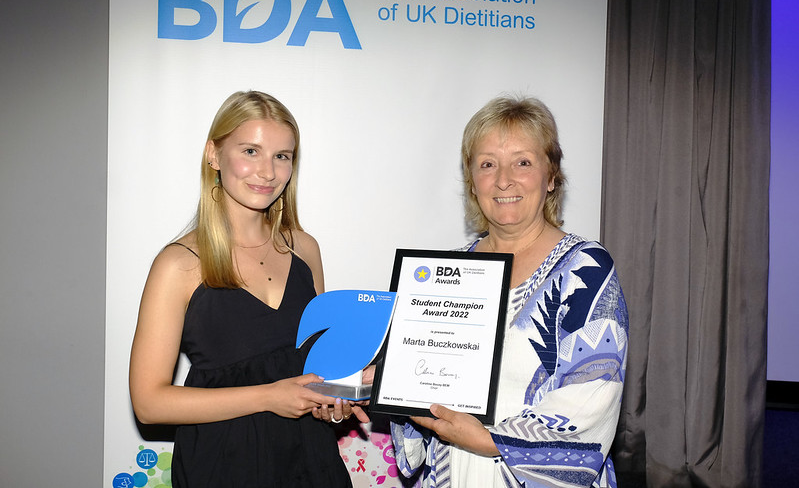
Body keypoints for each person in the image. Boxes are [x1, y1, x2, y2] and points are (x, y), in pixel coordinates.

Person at [129, 91, 366, 488]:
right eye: (251, 151)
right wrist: (269, 397)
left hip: (312, 462)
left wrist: (332, 401)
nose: (267, 172)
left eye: (281, 156)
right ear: (214, 155)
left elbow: (314, 369)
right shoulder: (179, 264)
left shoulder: (304, 249)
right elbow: (149, 403)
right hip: (223, 466)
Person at [390, 96, 629, 487]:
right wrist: (390, 377)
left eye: (523, 162)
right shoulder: (447, 271)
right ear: (472, 181)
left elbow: (594, 391)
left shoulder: (585, 269)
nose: (504, 180)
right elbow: (424, 376)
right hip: (452, 471)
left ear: (551, 177)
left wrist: (491, 441)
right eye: (488, 164)